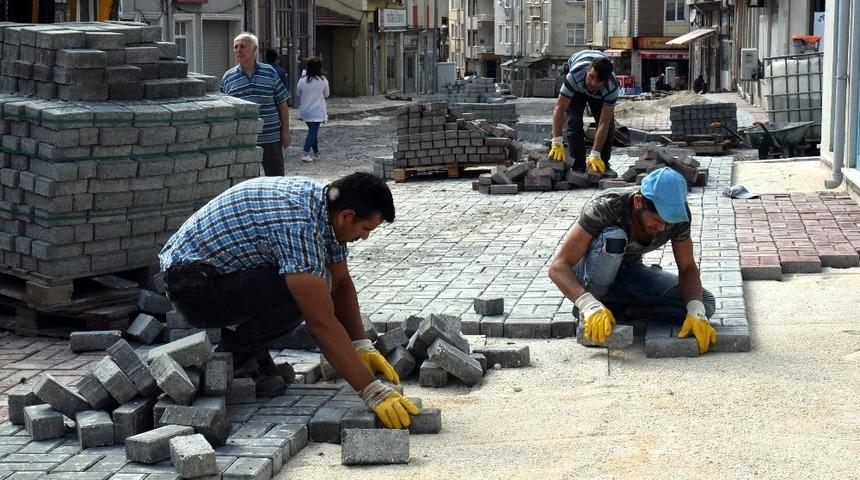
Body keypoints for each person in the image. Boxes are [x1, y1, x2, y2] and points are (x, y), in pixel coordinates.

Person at [159, 173, 421, 428]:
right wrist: (372, 391)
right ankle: (235, 358)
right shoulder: (298, 223)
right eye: (366, 229)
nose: (365, 237)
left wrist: (361, 345)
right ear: (347, 216)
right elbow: (321, 322)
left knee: (315, 280)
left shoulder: (325, 209)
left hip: (219, 273)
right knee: (301, 293)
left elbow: (341, 283)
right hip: (191, 286)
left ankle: (248, 356)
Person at [547, 168, 719, 354]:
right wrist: (587, 304)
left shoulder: (678, 215)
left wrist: (696, 312)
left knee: (704, 303)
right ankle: (594, 308)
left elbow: (687, 268)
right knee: (614, 239)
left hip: (629, 272)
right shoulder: (606, 206)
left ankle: (624, 310)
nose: (662, 228)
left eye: (668, 222)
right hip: (592, 273)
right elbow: (558, 267)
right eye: (657, 220)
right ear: (638, 202)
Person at [221, 33, 290, 176]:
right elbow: (224, 111)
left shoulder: (269, 72)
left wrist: (285, 131)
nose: (238, 50)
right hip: (243, 140)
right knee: (247, 179)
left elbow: (282, 103)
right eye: (235, 47)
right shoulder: (228, 77)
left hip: (270, 137)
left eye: (242, 46)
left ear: (254, 49)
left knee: (275, 178)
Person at [548, 50, 619, 175]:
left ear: (605, 81)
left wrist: (595, 153)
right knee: (574, 121)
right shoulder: (574, 76)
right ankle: (578, 166)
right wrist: (556, 141)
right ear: (587, 70)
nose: (592, 83)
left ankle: (601, 163)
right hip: (577, 87)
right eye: (591, 76)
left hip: (600, 94)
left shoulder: (611, 88)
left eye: (598, 81)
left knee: (609, 127)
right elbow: (560, 109)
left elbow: (604, 123)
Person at [296, 57, 330, 163]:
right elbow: (326, 94)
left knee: (312, 131)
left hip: (305, 110)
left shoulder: (302, 80)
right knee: (313, 132)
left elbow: (298, 93)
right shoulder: (323, 80)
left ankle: (316, 153)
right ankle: (305, 153)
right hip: (317, 110)